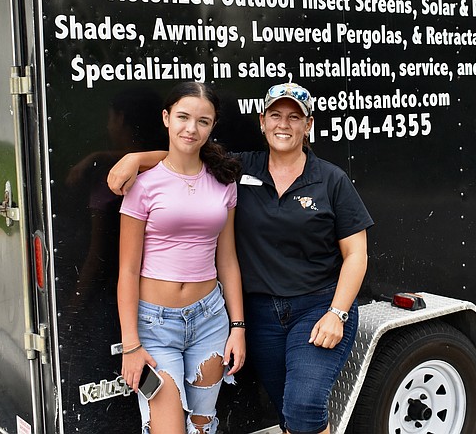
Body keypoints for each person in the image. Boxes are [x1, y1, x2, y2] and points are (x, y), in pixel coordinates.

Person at [110, 82, 372, 434]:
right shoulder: (238, 169)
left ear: (308, 125)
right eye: (276, 115)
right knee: (288, 412)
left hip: (311, 308)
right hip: (248, 317)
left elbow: (356, 253)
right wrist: (136, 158)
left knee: (304, 409)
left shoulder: (329, 179)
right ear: (261, 121)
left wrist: (336, 313)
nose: (284, 124)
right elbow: (186, 154)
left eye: (295, 117)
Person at [117, 81, 245, 434]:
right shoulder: (142, 184)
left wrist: (237, 327)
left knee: (203, 426)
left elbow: (228, 260)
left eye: (203, 121)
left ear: (212, 126)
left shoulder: (224, 181)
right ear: (166, 118)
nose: (191, 128)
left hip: (210, 321)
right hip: (154, 328)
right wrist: (131, 346)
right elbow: (127, 270)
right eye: (183, 117)